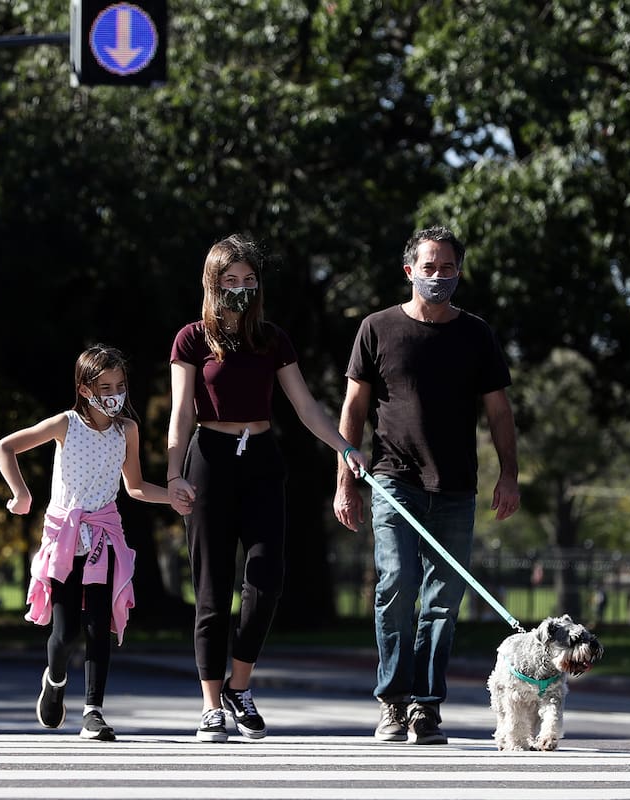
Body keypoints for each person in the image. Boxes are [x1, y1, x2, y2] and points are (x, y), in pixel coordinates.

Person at [166, 234, 367, 743]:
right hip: (208, 462)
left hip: (261, 459)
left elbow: (305, 407)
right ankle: (212, 705)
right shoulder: (192, 339)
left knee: (266, 580)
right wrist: (173, 474)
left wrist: (344, 447)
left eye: (248, 280)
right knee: (211, 591)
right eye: (229, 281)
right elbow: (181, 413)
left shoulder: (272, 338)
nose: (240, 288)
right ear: (212, 285)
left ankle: (240, 685)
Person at [332, 225, 520, 745]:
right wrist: (345, 482)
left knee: (442, 602)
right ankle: (393, 702)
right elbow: (353, 409)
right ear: (410, 270)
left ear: (459, 271)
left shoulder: (476, 334)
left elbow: (499, 412)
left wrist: (510, 474)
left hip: (456, 487)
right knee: (395, 587)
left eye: (448, 268)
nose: (439, 277)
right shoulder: (377, 328)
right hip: (393, 481)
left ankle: (426, 706)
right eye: (429, 267)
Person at [0, 344, 172, 742]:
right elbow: (3, 447)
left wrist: (174, 497)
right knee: (66, 630)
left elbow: (136, 486)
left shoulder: (128, 430)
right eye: (105, 385)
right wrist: (21, 495)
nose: (115, 393)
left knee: (98, 626)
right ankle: (55, 680)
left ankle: (94, 711)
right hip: (65, 536)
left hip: (104, 535)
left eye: (120, 385)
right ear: (85, 389)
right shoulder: (65, 424)